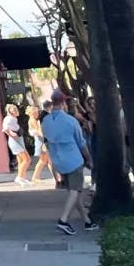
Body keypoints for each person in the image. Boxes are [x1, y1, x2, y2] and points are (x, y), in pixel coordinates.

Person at [41, 89, 99, 235]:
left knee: (75, 192)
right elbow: (81, 143)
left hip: (58, 161)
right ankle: (63, 220)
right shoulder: (70, 121)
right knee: (74, 192)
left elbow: (47, 140)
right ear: (63, 103)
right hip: (73, 160)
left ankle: (87, 221)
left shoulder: (46, 122)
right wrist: (89, 159)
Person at [3, 103, 30, 186]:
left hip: (18, 140)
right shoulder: (9, 118)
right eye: (14, 110)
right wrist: (11, 133)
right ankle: (19, 178)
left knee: (21, 160)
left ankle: (22, 178)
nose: (16, 111)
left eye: (16, 109)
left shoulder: (13, 119)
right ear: (10, 111)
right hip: (15, 141)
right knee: (27, 159)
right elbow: (5, 128)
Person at [28, 105, 53, 184]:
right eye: (35, 112)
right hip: (41, 142)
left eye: (37, 112)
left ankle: (35, 177)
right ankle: (35, 177)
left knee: (45, 160)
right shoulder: (33, 120)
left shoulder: (33, 120)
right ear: (31, 113)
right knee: (45, 160)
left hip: (41, 141)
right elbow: (39, 131)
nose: (37, 113)